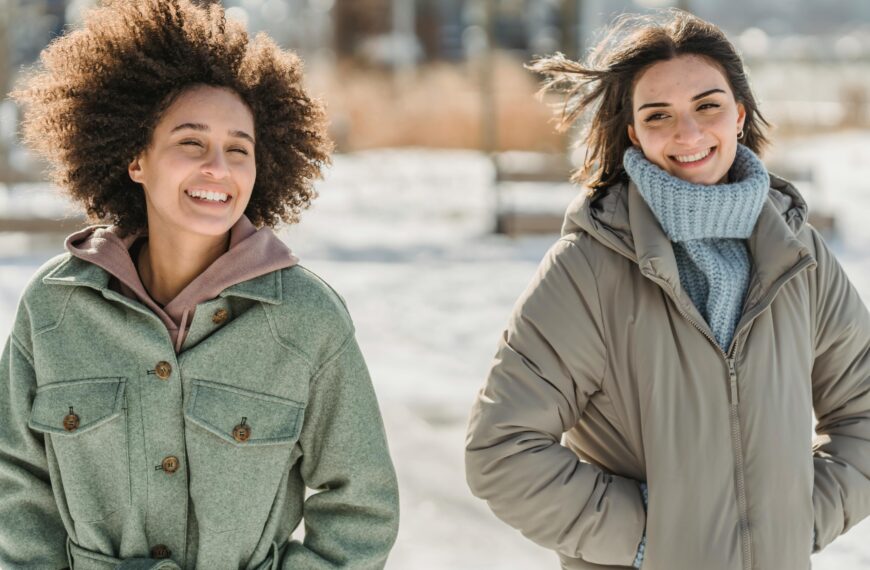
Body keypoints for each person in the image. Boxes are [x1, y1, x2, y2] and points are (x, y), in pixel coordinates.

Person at [465, 9, 870, 570]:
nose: (688, 133)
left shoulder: (799, 256)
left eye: (708, 106)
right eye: (660, 116)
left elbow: (864, 411)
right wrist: (649, 539)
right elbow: (501, 450)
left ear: (739, 114)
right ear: (634, 133)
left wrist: (797, 521)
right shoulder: (587, 269)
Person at [0, 1, 399, 568]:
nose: (218, 167)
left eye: (239, 148)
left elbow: (362, 504)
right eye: (191, 142)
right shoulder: (56, 306)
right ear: (136, 159)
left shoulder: (307, 318)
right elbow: (16, 481)